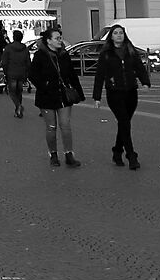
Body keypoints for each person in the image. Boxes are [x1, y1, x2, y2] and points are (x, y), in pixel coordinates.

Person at [90, 24, 151, 170]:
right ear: (111, 36)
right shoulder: (106, 54)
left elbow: (139, 68)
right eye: (116, 33)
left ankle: (117, 151)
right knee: (124, 121)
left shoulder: (131, 51)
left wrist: (145, 82)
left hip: (130, 91)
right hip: (114, 92)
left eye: (121, 33)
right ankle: (131, 155)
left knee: (124, 123)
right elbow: (99, 76)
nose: (119, 35)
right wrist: (97, 97)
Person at [29, 27, 85, 167]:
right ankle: (53, 154)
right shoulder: (40, 56)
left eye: (60, 37)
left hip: (63, 95)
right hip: (46, 96)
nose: (60, 40)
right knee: (51, 127)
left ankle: (69, 154)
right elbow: (32, 74)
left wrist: (79, 92)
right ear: (48, 41)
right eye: (57, 38)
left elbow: (72, 74)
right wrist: (44, 85)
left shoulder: (64, 55)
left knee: (65, 126)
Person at [1, 30, 32, 118]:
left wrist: (5, 72)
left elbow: (4, 62)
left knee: (12, 92)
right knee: (19, 92)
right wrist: (27, 73)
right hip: (22, 73)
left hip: (12, 73)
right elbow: (28, 62)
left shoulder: (8, 48)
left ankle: (18, 106)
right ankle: (17, 111)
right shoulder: (25, 48)